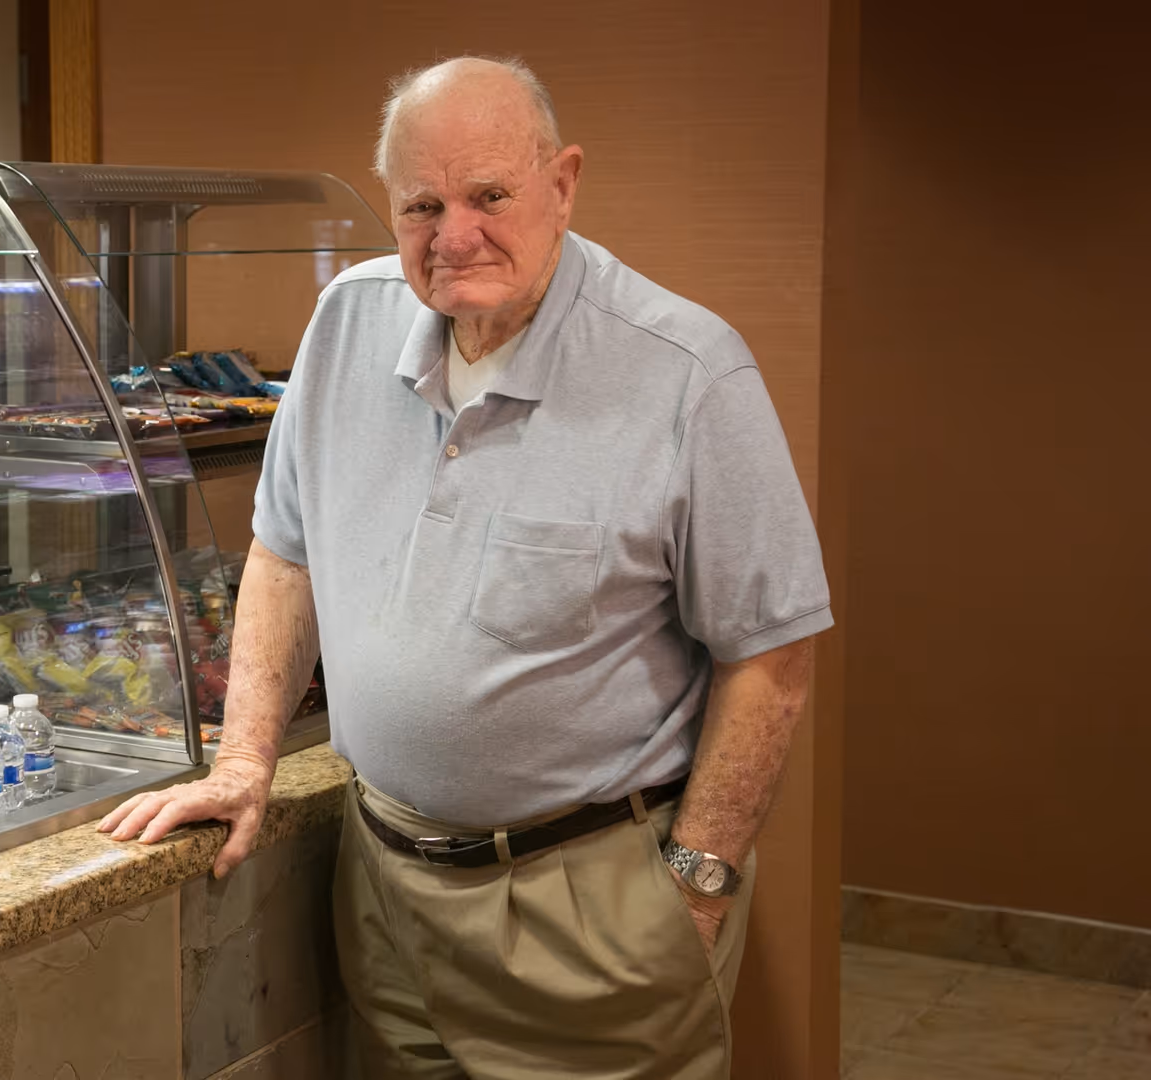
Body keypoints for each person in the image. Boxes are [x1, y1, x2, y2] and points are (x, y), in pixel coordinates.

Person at [99, 55, 832, 1079]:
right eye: (422, 206)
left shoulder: (689, 373)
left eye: (491, 195)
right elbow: (285, 550)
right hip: (381, 886)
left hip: (589, 913)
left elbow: (774, 657)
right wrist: (242, 762)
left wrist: (696, 886)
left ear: (563, 183)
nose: (455, 236)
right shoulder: (347, 321)